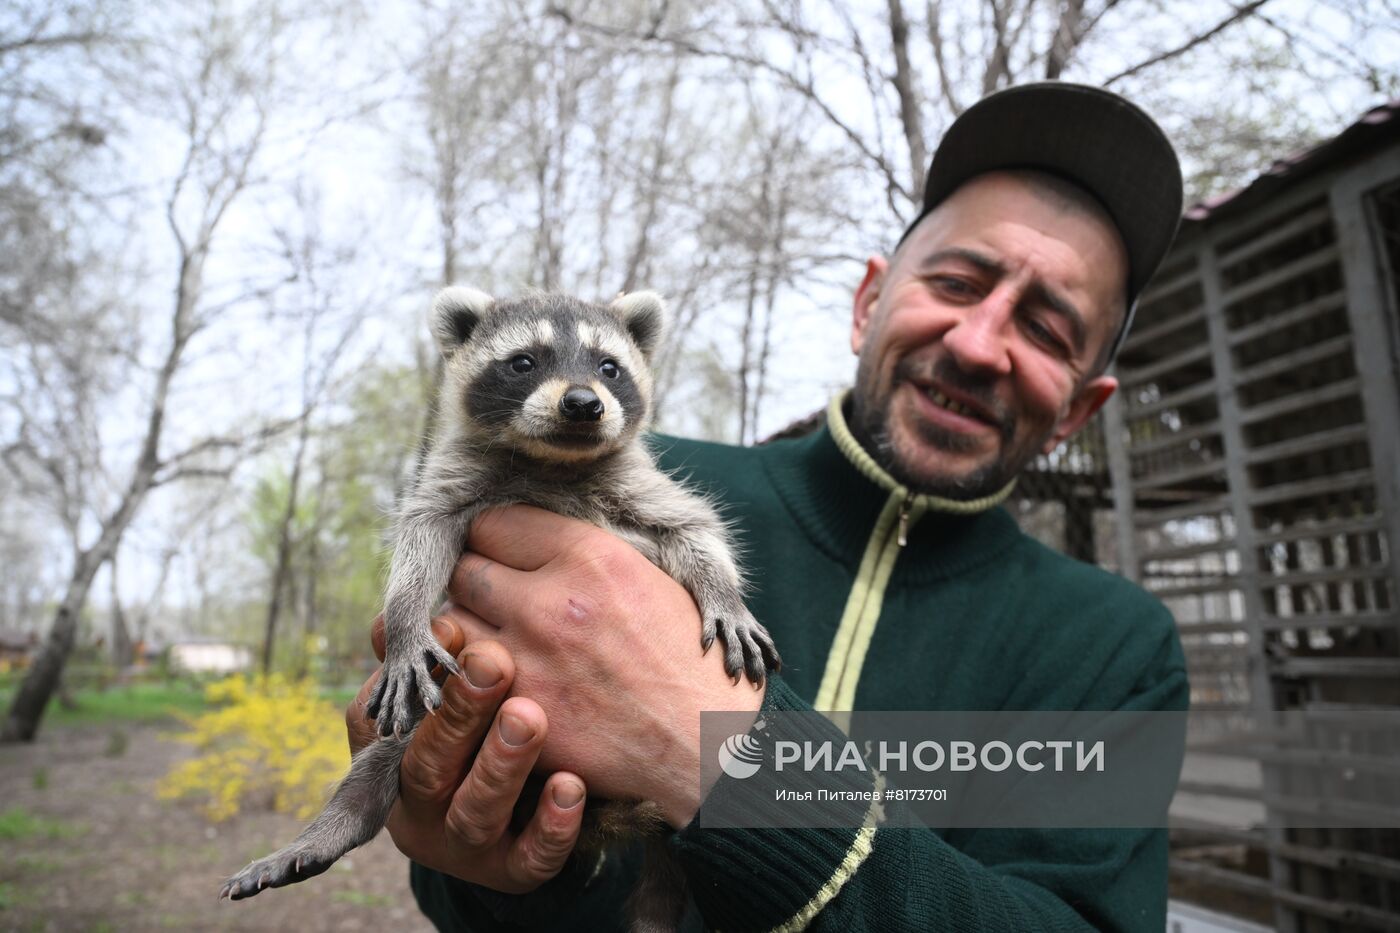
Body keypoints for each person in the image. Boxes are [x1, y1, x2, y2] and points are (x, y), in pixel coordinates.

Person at [344, 82, 1190, 931]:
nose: (978, 345)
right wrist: (495, 859)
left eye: (1047, 330)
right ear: (867, 302)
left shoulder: (1114, 651)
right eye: (958, 282)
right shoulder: (612, 485)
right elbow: (468, 876)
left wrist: (741, 769)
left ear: (1081, 408)